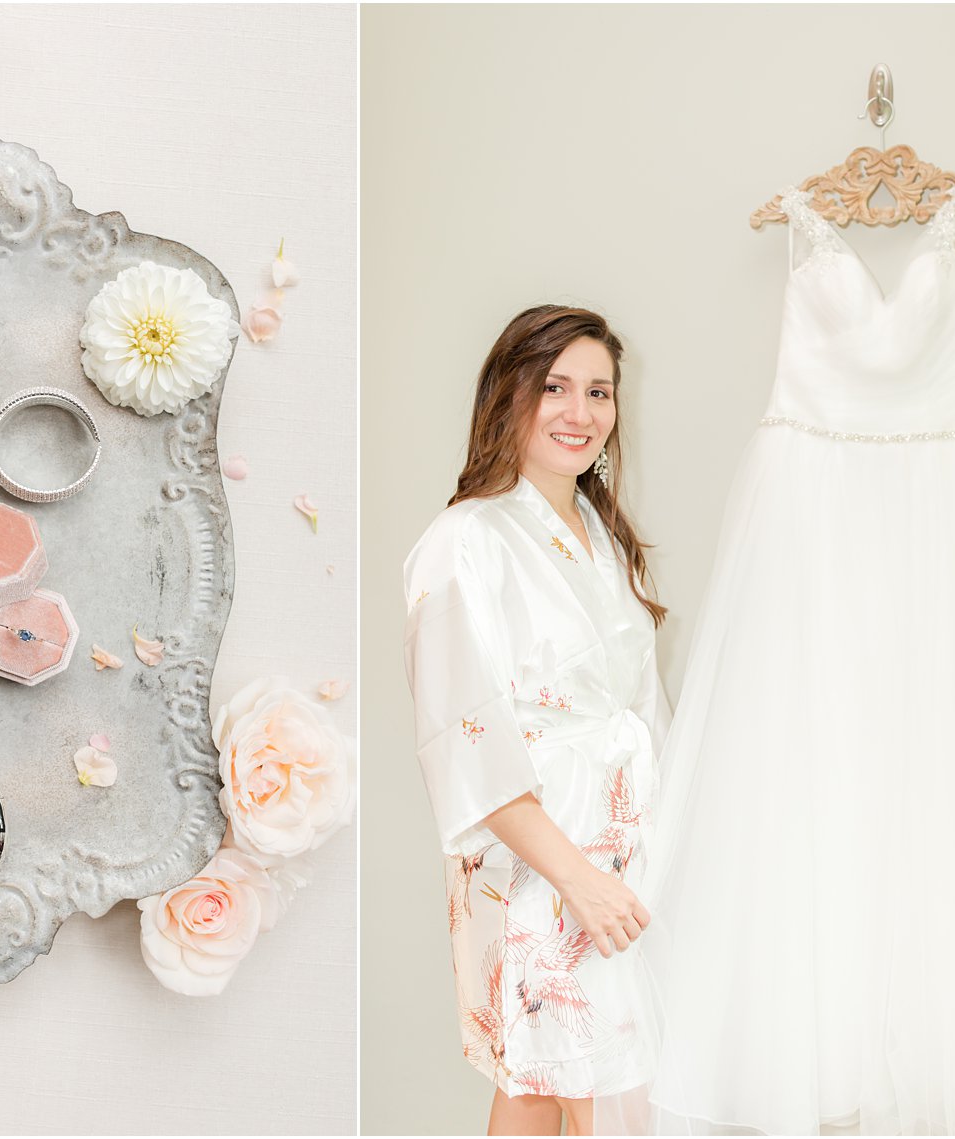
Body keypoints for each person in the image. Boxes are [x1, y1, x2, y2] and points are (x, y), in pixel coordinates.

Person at [403, 305, 670, 1136]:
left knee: (548, 1088)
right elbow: (465, 737)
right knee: (575, 1080)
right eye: (555, 386)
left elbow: (645, 708)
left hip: (625, 849)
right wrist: (577, 879)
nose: (579, 413)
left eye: (600, 392)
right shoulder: (463, 542)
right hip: (542, 859)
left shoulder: (603, 537)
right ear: (507, 395)